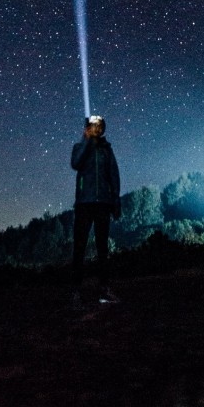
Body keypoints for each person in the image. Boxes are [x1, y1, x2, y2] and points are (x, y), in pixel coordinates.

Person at [70, 114, 121, 304]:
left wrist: (115, 200)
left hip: (103, 204)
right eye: (92, 126)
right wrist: (87, 142)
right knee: (79, 248)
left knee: (102, 248)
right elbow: (76, 163)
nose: (96, 129)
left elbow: (113, 174)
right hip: (84, 203)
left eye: (98, 126)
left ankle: (104, 291)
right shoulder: (79, 147)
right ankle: (76, 292)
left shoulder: (107, 150)